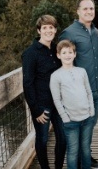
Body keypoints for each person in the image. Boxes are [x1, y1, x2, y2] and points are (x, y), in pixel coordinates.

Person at [59, 0, 98, 169]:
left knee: (89, 129)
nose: (88, 11)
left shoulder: (95, 31)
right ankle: (77, 162)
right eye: (85, 9)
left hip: (97, 90)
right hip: (79, 93)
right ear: (77, 11)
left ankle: (86, 156)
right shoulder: (69, 33)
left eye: (91, 8)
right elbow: (62, 61)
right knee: (77, 131)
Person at [22, 15, 66, 169]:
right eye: (45, 28)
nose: (48, 30)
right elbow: (27, 84)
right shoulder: (30, 53)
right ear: (39, 31)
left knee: (63, 138)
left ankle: (58, 166)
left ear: (55, 30)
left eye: (51, 27)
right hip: (42, 105)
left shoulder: (57, 49)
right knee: (42, 140)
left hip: (59, 104)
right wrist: (36, 110)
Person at [50, 40, 95, 169]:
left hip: (87, 118)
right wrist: (65, 117)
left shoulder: (82, 71)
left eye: (70, 52)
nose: (67, 55)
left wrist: (91, 110)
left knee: (86, 149)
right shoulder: (56, 76)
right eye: (64, 52)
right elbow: (57, 99)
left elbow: (88, 92)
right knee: (73, 151)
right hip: (71, 121)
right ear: (58, 55)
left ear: (75, 54)